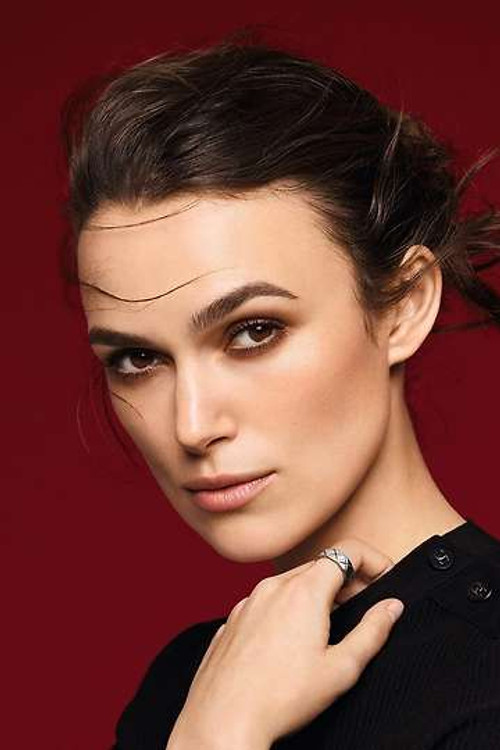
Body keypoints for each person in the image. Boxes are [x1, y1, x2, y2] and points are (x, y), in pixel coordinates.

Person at [60, 38, 500, 749]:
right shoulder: (188, 688)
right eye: (138, 358)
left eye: (253, 331)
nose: (191, 425)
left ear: (404, 305)